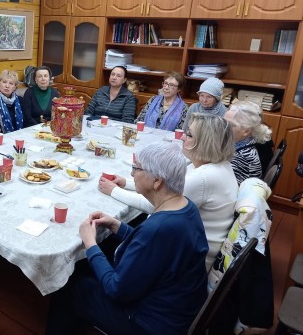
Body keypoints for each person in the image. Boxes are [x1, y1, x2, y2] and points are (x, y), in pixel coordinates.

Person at [46, 142, 208, 335]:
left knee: (69, 283)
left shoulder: (158, 228)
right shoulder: (185, 207)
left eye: (136, 168)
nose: (131, 174)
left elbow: (116, 289)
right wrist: (117, 225)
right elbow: (153, 251)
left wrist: (90, 244)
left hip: (148, 323)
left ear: (157, 181)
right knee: (94, 261)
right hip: (177, 307)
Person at [99, 113, 237, 271]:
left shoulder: (203, 177)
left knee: (105, 244)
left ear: (206, 142)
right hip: (185, 245)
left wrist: (114, 191)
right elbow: (164, 184)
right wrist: (127, 183)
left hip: (187, 262)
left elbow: (157, 204)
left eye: (190, 135)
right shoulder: (217, 165)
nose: (183, 138)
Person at [224, 100, 273, 184]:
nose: (222, 127)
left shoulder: (241, 157)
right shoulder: (246, 141)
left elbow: (226, 188)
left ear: (246, 131)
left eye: (230, 125)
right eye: (223, 121)